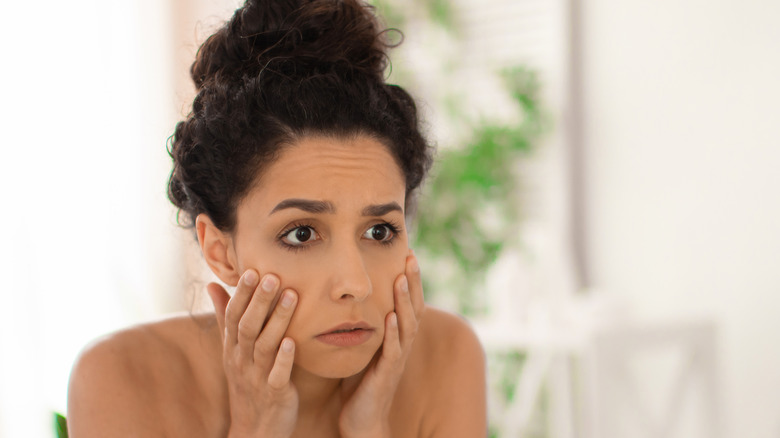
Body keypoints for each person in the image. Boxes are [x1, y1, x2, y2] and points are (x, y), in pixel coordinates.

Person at [67, 0, 486, 436]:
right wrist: (257, 426)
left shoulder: (447, 356)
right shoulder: (123, 379)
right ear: (219, 249)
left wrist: (371, 426)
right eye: (302, 233)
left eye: (379, 231)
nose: (355, 285)